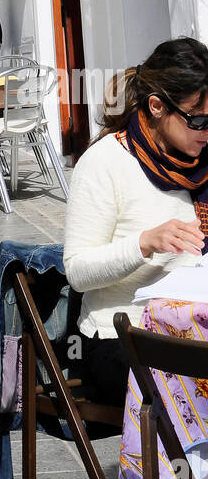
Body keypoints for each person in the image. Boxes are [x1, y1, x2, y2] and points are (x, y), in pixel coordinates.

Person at [63, 37, 208, 407]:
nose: (207, 132)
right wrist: (144, 242)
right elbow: (77, 272)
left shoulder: (202, 161)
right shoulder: (105, 162)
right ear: (157, 106)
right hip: (125, 339)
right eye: (200, 119)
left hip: (197, 330)